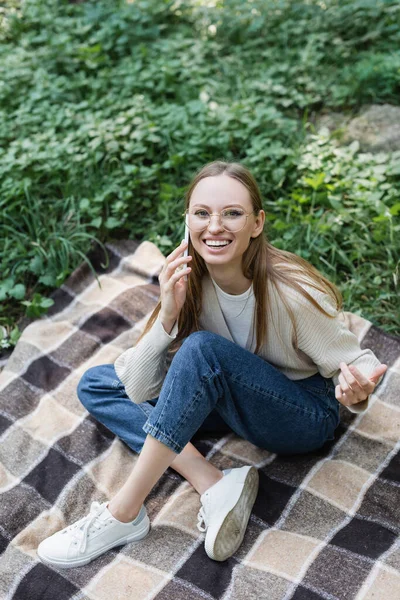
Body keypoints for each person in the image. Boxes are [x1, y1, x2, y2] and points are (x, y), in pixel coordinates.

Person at [37, 160, 387, 569]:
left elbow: (358, 361)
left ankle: (123, 514)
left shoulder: (290, 291)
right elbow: (136, 385)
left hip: (300, 415)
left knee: (201, 350)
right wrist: (168, 316)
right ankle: (212, 481)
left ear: (257, 223)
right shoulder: (189, 281)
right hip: (232, 394)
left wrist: (357, 388)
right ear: (187, 220)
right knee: (98, 383)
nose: (215, 226)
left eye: (232, 214)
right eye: (202, 213)